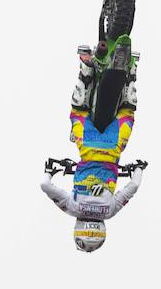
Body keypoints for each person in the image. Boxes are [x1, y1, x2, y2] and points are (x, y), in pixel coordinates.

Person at [40, 42, 144, 252]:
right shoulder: (73, 207)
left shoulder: (109, 212)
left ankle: (132, 69)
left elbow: (133, 186)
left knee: (127, 113)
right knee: (78, 112)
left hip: (114, 147)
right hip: (87, 145)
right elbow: (45, 186)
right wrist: (50, 172)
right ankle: (86, 66)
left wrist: (138, 169)